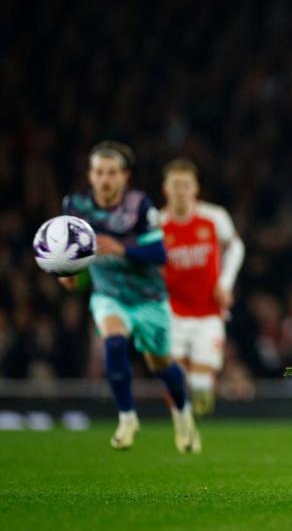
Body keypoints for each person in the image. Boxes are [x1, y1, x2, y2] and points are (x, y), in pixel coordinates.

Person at [59, 141, 199, 452]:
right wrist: (70, 278)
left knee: (162, 365)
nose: (105, 179)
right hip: (109, 295)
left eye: (112, 173)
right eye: (99, 172)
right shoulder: (75, 207)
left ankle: (183, 412)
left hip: (149, 298)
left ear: (125, 176)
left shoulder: (140, 205)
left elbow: (159, 253)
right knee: (114, 341)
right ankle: (127, 417)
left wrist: (122, 248)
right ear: (91, 176)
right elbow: (72, 259)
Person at [160, 158, 245, 418]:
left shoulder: (214, 217)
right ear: (166, 188)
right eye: (176, 185)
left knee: (200, 384)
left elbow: (236, 247)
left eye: (186, 185)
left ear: (195, 188)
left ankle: (196, 408)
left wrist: (225, 284)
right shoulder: (156, 224)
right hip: (172, 312)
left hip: (208, 312)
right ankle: (182, 426)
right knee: (173, 375)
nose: (181, 190)